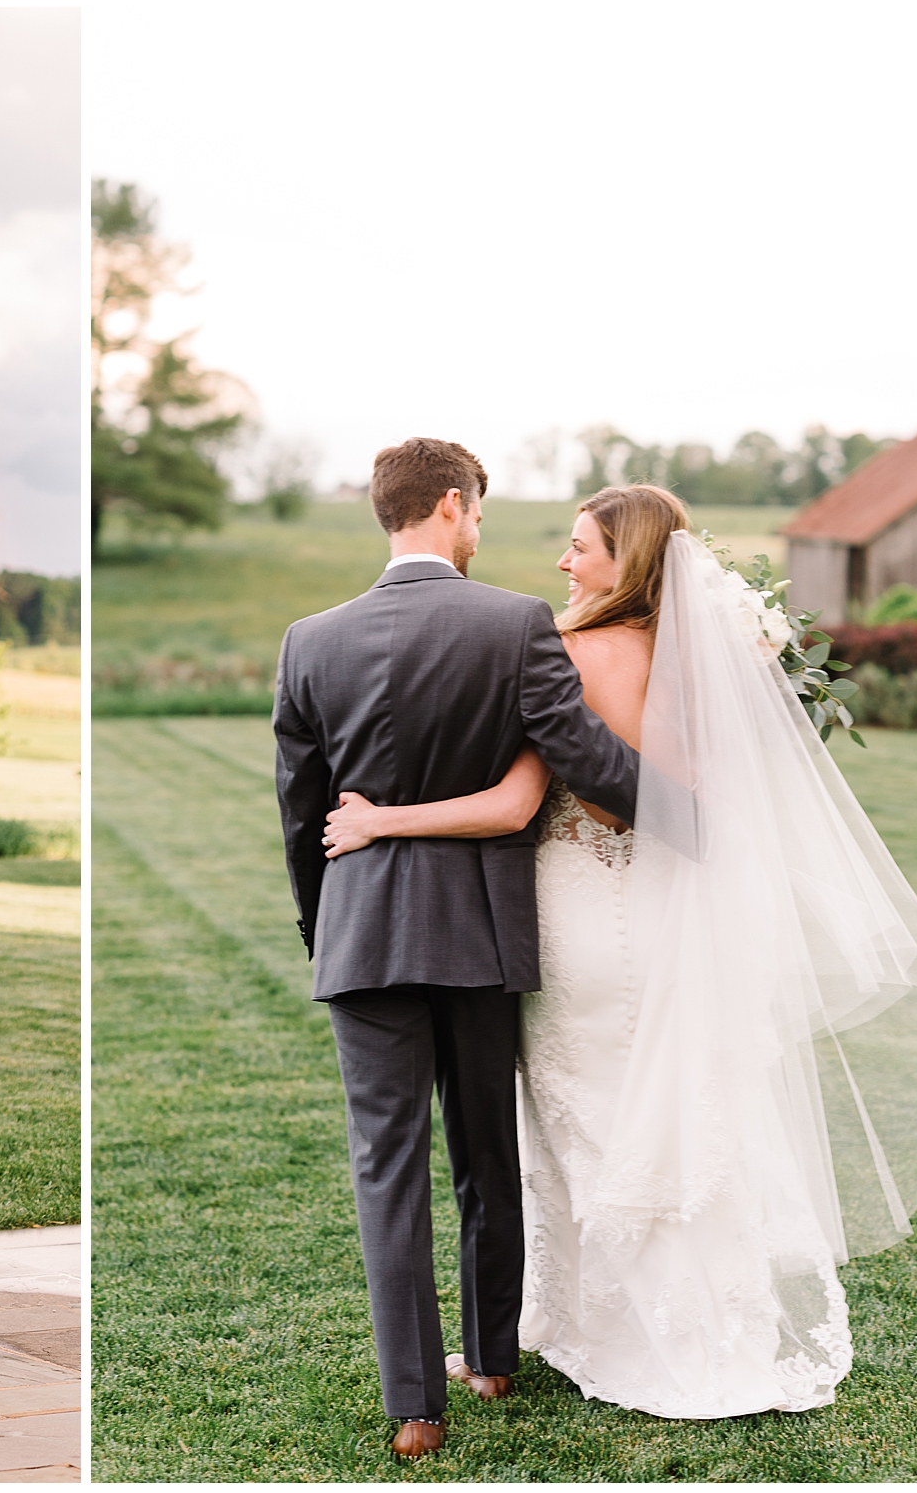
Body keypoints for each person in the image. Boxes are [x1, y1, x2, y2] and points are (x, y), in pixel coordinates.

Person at [322, 483, 917, 1422]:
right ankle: (707, 1326)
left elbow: (546, 804)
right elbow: (683, 798)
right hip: (657, 913)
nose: (563, 562)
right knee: (675, 1116)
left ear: (625, 562)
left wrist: (379, 819)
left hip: (578, 918)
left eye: (579, 548)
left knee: (584, 1123)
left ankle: (608, 1331)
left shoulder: (564, 652)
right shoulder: (689, 662)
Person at [272, 438, 645, 1458]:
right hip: (480, 932)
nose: (478, 529)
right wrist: (700, 804)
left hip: (360, 933)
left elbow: (301, 812)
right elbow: (580, 754)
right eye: (475, 510)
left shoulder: (309, 640)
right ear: (448, 506)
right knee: (486, 1151)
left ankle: (412, 1407)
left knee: (383, 1166)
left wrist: (326, 924)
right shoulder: (514, 621)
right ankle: (487, 1356)